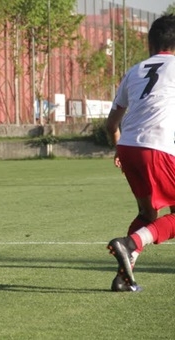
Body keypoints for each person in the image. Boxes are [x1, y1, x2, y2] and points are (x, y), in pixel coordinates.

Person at [105, 14, 175, 292]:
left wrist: (120, 150)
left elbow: (111, 124)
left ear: (150, 43)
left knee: (147, 214)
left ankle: (124, 274)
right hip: (157, 147)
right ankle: (130, 244)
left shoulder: (135, 71)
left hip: (128, 146)